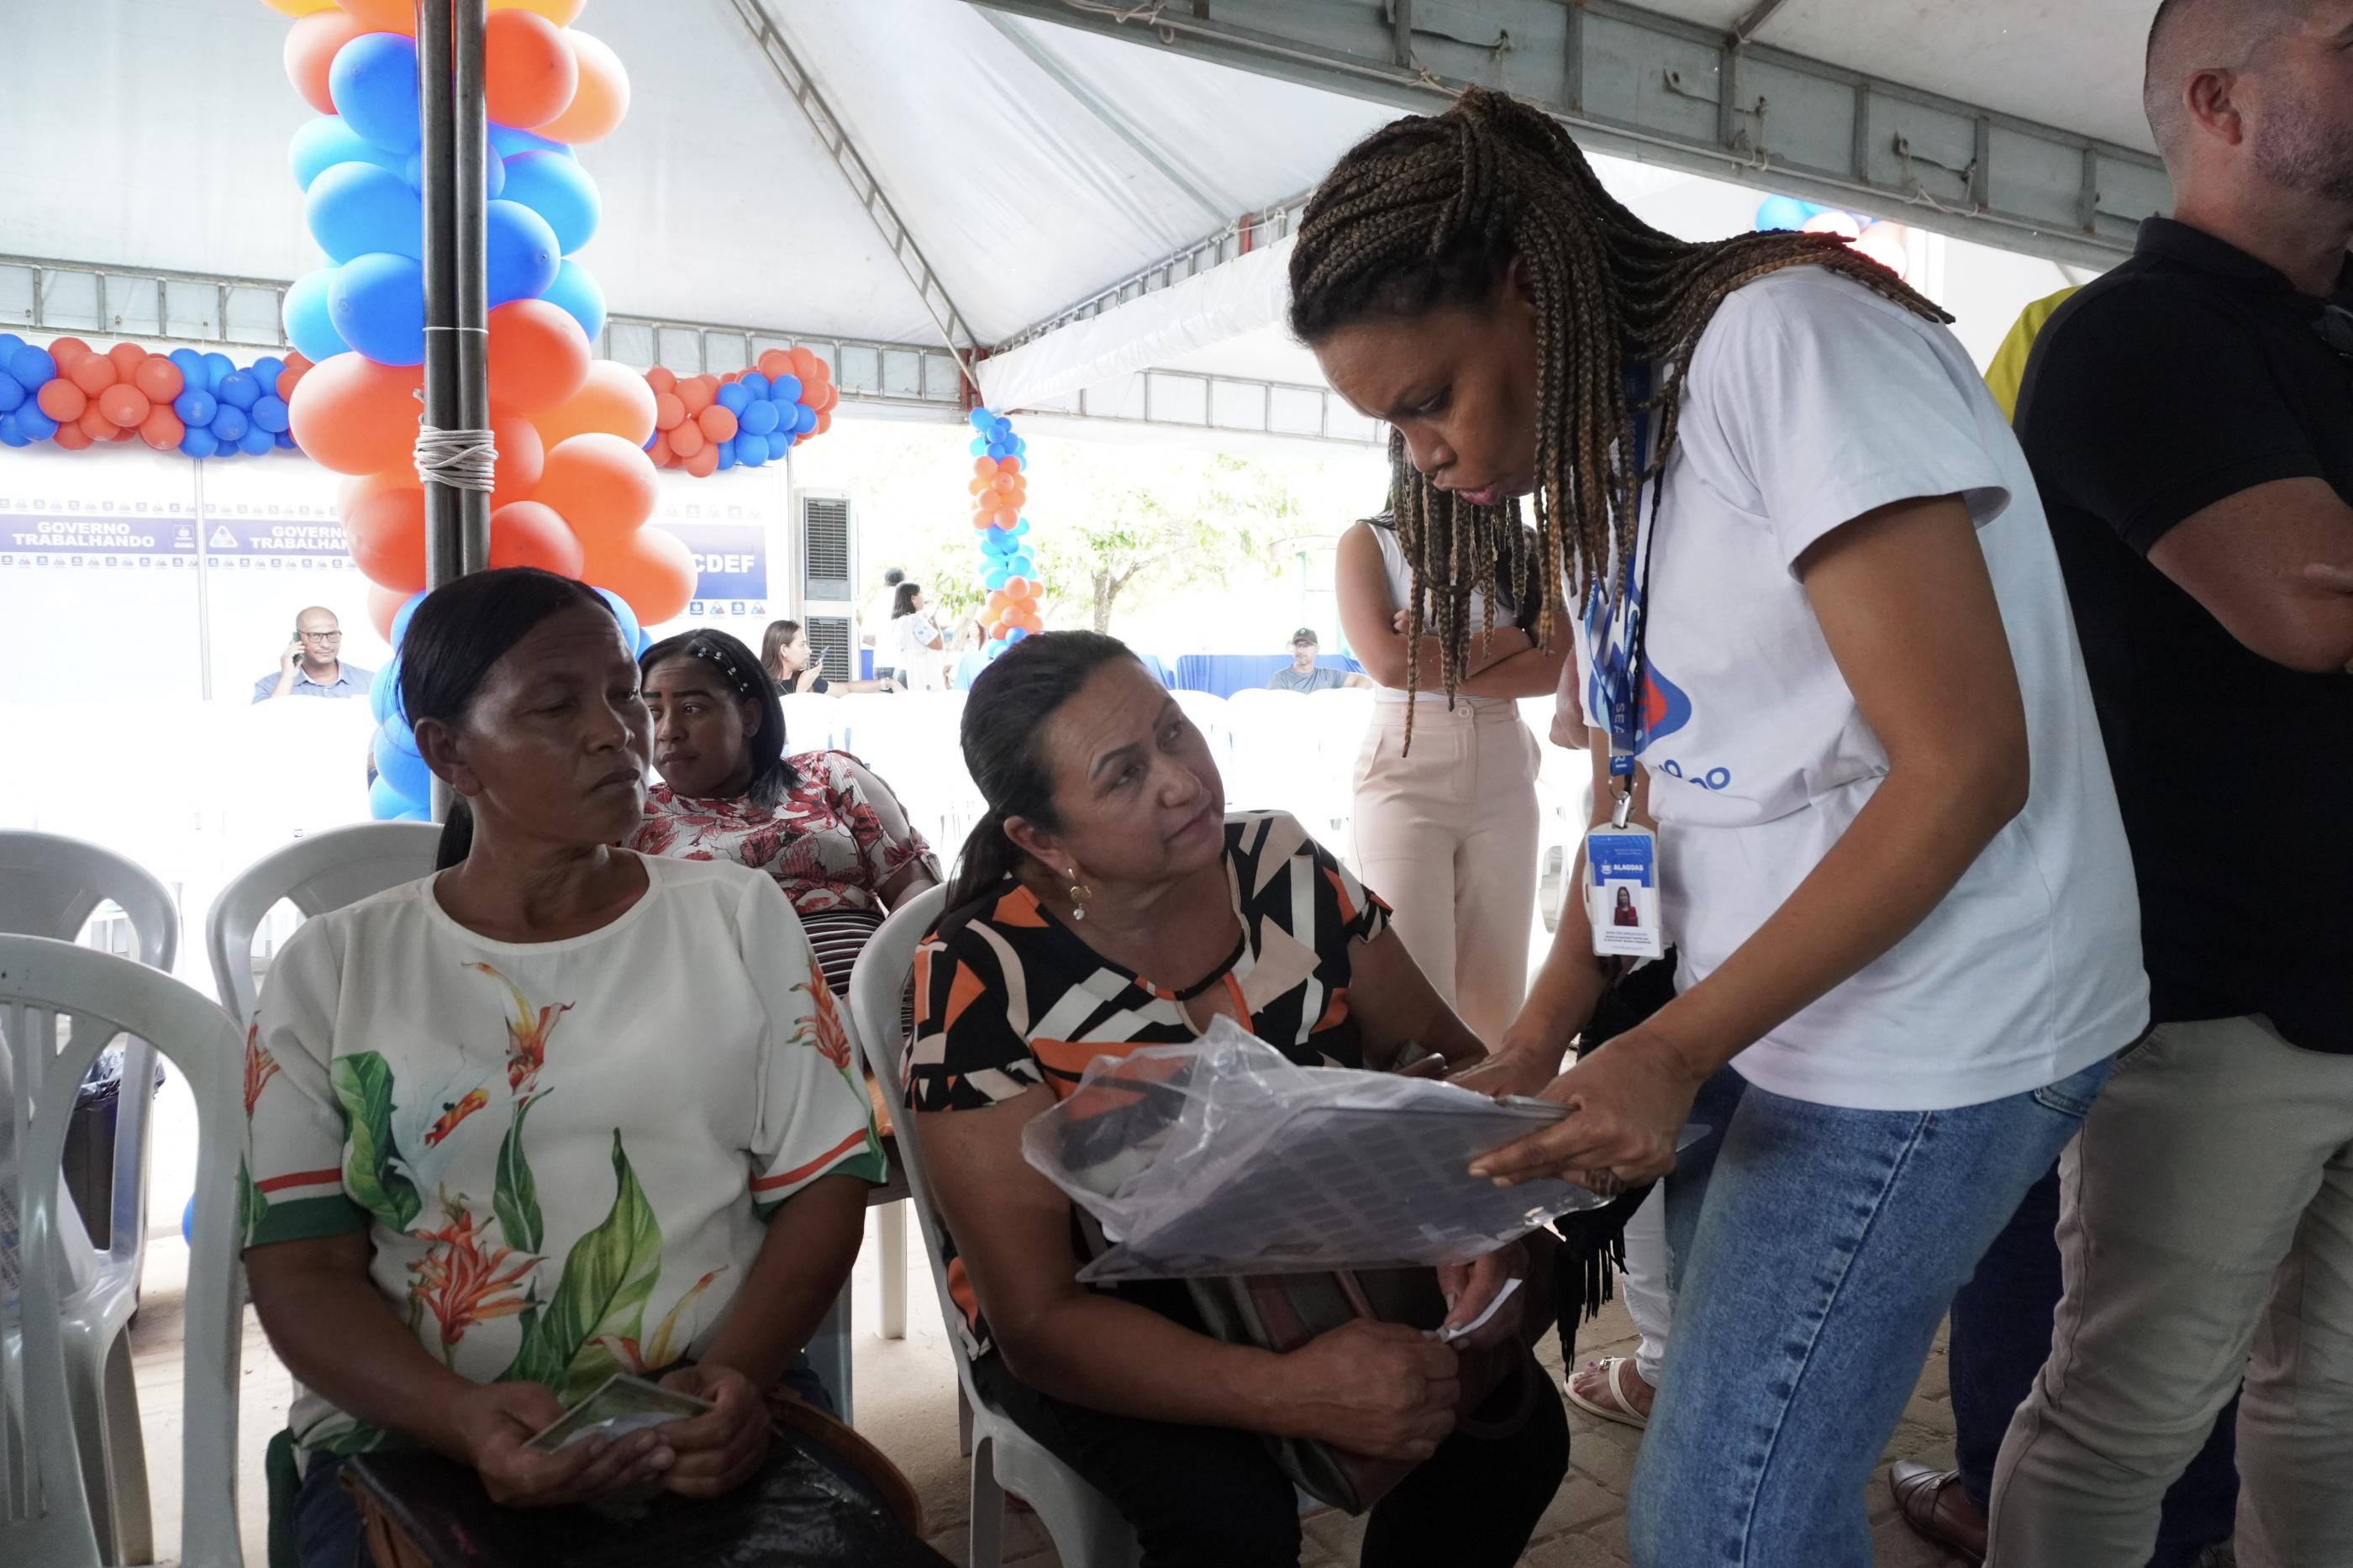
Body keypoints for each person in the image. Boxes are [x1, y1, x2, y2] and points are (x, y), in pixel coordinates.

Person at [1287, 87, 2146, 1568]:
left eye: (1430, 397)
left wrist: (1673, 1050)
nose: (1419, 454)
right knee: (1733, 1491)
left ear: (1530, 285)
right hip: (1784, 1012)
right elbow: (1637, 787)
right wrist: (1541, 1032)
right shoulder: (1602, 458)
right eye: (1393, 427)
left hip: (1943, 1022)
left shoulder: (1785, 344)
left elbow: (1965, 766)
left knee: (1719, 1520)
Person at [240, 569, 885, 1568]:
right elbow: (300, 1266)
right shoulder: (333, 968)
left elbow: (824, 1185)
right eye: (556, 706)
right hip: (414, 1437)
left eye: (624, 695)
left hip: (714, 1407)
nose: (615, 732)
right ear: (447, 751)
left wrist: (733, 1379)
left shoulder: (734, 916)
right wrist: (460, 1419)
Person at [906, 629, 1568, 1568]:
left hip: (1325, 1246)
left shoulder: (1281, 866)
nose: (1182, 782)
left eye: (1174, 732)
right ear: (1040, 840)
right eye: (1123, 776)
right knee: (1229, 1521)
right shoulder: (979, 977)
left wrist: (1473, 1223)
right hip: (1110, 1314)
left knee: (1512, 1432)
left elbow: (1454, 1063)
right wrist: (1290, 1393)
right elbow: (1036, 1320)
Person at [1983, 4, 2353, 1565]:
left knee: (2334, 1406)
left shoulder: (2327, 339)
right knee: (2126, 1412)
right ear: (2220, 99)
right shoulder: (2136, 334)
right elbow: (2309, 600)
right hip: (2213, 997)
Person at [1887, 297, 2241, 1567]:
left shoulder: (2073, 327)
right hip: (2214, 877)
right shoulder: (2137, 333)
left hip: (2098, 859)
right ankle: (2187, 1516)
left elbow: (1966, 586)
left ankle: (2004, 1492)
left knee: (2053, 1213)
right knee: (2198, 1242)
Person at [1337, 513, 1566, 1047]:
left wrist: (1436, 651)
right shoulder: (1370, 542)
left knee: (1497, 996)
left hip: (1504, 775)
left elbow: (1556, 666)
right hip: (1405, 772)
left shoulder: (1524, 545)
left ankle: (1489, 1103)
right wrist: (1513, 640)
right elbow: (1389, 666)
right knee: (1413, 993)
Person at [632, 627, 939, 997]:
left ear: (750, 717)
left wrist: (881, 988)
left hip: (883, 1003)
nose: (668, 731)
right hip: (723, 1016)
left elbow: (913, 886)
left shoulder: (830, 775)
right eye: (652, 712)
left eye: (692, 708)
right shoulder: (633, 818)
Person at [254, 606, 373, 702]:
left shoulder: (372, 682)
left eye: (332, 634)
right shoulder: (268, 686)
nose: (326, 644)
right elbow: (263, 723)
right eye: (315, 635)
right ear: (297, 638)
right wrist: (288, 678)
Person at [761, 618, 900, 696]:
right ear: (784, 650)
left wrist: (888, 683)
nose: (809, 650)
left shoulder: (802, 678)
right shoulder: (762, 687)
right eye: (802, 645)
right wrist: (801, 691)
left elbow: (847, 689)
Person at [1263, 628, 1371, 692]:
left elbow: (1364, 681)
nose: (1300, 650)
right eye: (1297, 645)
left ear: (1316, 649)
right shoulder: (1280, 678)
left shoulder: (1328, 676)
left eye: (1305, 645)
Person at [888, 581, 945, 692]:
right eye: (921, 594)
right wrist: (933, 620)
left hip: (900, 672)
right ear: (913, 598)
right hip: (914, 675)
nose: (923, 598)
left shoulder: (899, 620)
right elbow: (939, 644)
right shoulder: (915, 620)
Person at [862, 566, 906, 685]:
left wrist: (884, 642)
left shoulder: (874, 604)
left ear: (885, 582)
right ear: (904, 582)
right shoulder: (909, 603)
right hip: (904, 665)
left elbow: (866, 638)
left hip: (882, 663)